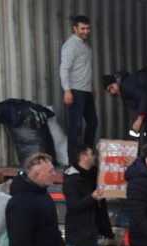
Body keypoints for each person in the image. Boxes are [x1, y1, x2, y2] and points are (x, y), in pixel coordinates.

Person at [61, 145, 113, 246]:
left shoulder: (92, 173)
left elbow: (111, 172)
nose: (95, 156)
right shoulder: (72, 179)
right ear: (83, 157)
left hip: (91, 224)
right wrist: (92, 197)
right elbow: (74, 205)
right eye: (92, 154)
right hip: (81, 227)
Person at [60, 15, 97, 161]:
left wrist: (91, 87)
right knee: (75, 126)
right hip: (75, 91)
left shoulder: (84, 45)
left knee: (93, 122)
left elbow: (84, 68)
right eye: (82, 28)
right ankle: (73, 161)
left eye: (88, 28)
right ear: (75, 28)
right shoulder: (71, 45)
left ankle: (87, 155)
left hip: (86, 91)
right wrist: (67, 90)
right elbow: (64, 68)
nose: (86, 31)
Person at [103, 68, 147, 143]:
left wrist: (140, 118)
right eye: (109, 91)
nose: (112, 91)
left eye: (112, 87)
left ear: (116, 82)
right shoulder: (125, 86)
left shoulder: (126, 84)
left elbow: (144, 97)